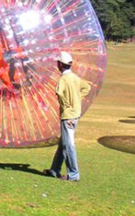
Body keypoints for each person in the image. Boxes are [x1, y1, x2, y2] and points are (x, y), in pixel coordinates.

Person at [44, 52, 91, 182]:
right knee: (64, 142)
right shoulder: (75, 78)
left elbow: (59, 93)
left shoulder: (63, 79)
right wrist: (77, 99)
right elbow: (86, 87)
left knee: (68, 144)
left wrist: (66, 105)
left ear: (59, 64)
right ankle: (54, 170)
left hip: (68, 115)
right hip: (75, 113)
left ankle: (74, 174)